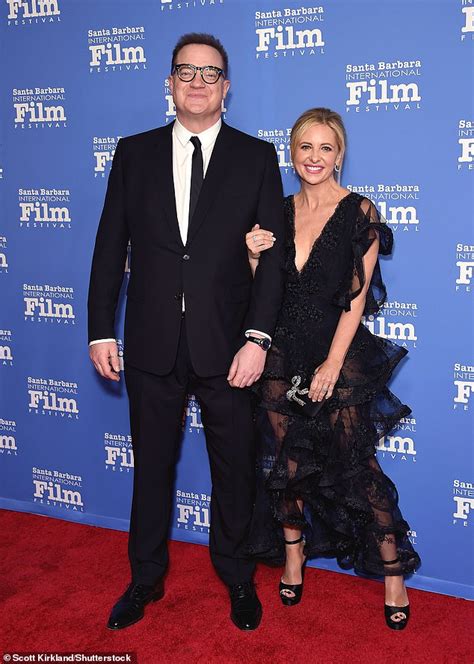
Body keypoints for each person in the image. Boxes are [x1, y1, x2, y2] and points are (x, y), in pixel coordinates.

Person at [87, 33, 285, 631]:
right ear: (170, 84)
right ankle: (144, 577)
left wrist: (257, 338)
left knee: (235, 468)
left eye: (210, 73)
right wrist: (101, 329)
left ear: (227, 88)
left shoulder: (256, 157)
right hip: (150, 342)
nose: (198, 82)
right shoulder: (133, 153)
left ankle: (236, 577)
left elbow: (273, 258)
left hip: (228, 345)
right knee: (150, 468)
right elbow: (108, 248)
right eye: (186, 71)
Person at [245, 108, 420, 630]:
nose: (314, 158)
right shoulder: (276, 211)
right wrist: (254, 258)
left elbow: (357, 300)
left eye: (326, 148)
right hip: (281, 354)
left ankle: (393, 574)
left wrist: (333, 363)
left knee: (358, 468)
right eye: (305, 147)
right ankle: (294, 556)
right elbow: (266, 291)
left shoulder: (359, 211)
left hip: (335, 354)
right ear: (292, 153)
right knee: (288, 466)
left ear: (339, 154)